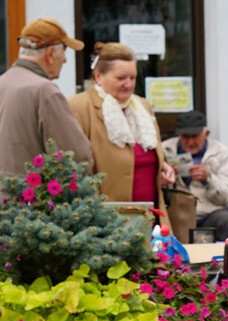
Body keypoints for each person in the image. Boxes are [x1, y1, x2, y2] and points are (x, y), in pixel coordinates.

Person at [68, 42, 175, 210]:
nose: (129, 84)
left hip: (151, 216)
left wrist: (164, 168)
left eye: (132, 78)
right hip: (106, 221)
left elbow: (154, 154)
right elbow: (75, 168)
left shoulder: (143, 106)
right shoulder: (78, 107)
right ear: (98, 76)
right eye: (121, 78)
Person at [0, 18, 92, 176]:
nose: (65, 59)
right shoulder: (44, 91)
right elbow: (76, 157)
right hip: (31, 198)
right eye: (64, 51)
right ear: (50, 54)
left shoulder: (3, 82)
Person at [163, 110, 228, 241]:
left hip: (208, 214)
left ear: (206, 134)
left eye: (195, 136)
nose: (190, 142)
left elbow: (227, 197)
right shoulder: (164, 149)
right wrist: (167, 177)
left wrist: (208, 179)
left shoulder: (220, 152)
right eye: (185, 137)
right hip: (176, 214)